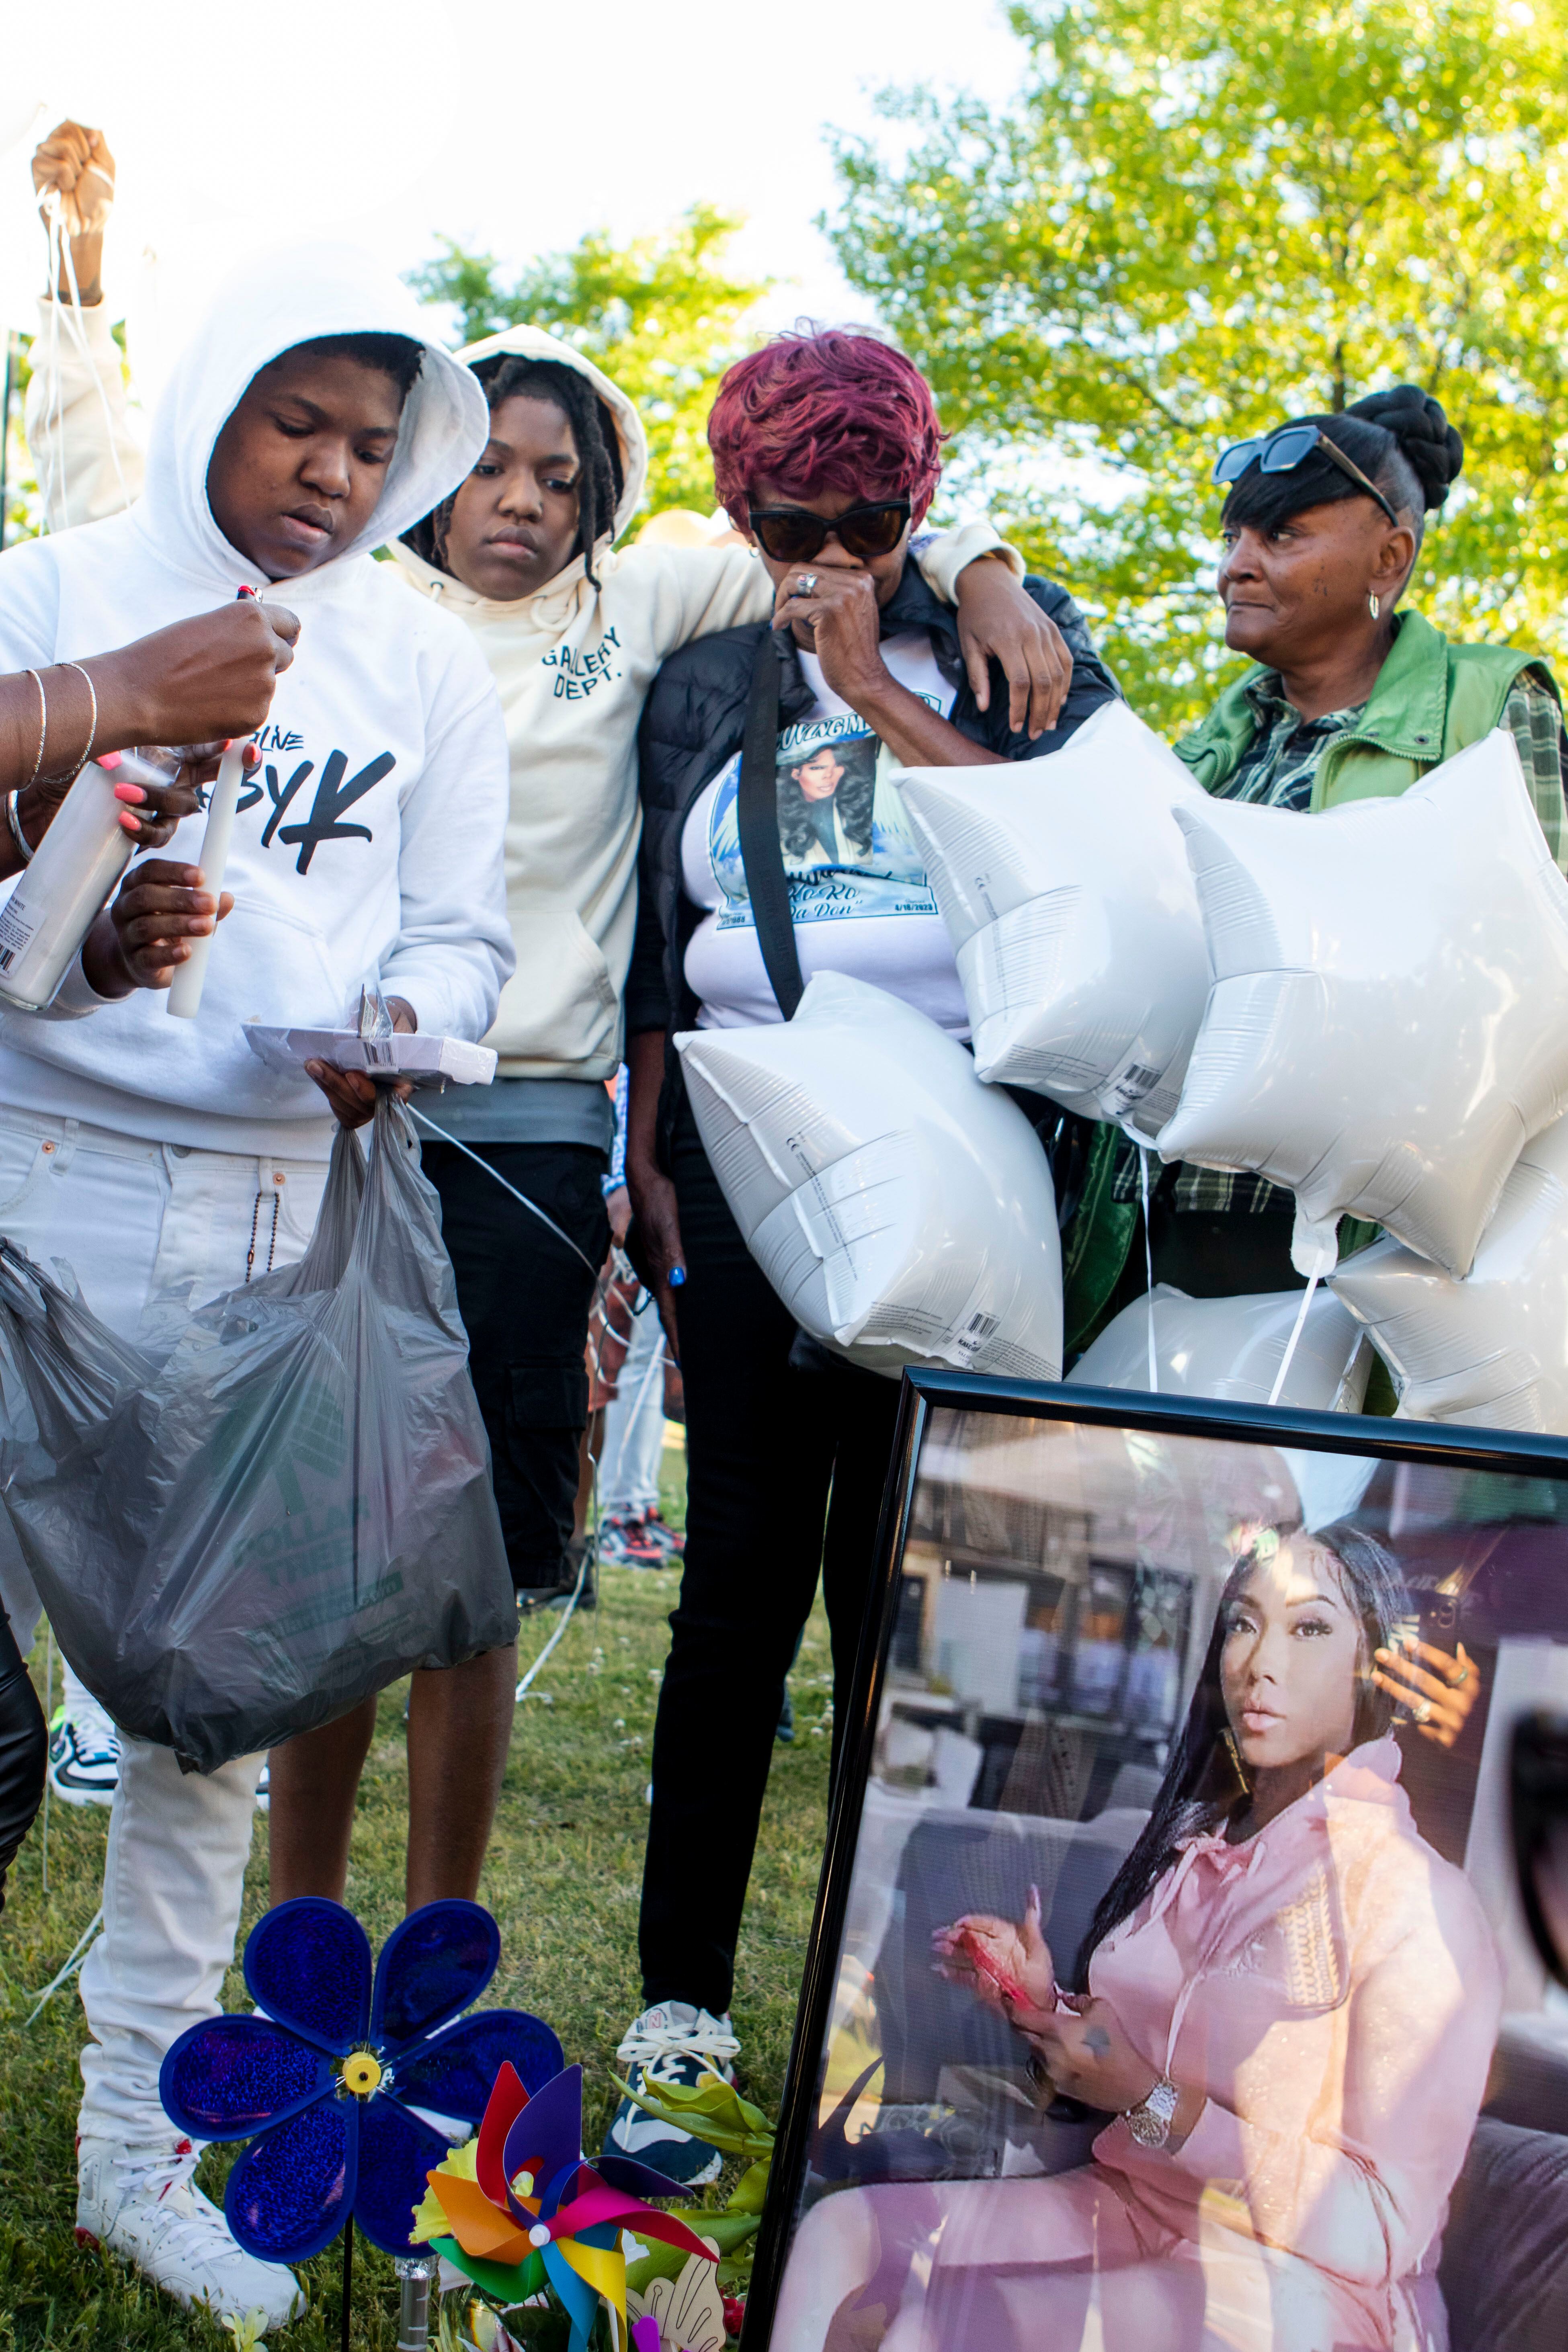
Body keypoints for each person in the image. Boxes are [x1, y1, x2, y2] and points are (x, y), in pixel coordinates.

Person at [27, 124, 1070, 1824]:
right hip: (279, 1110)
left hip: (513, 1112)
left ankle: (434, 1913)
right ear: (432, 475)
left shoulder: (635, 608)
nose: (521, 503)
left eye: (563, 477)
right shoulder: (341, 616)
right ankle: (171, 1754)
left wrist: (990, 574)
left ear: (602, 495)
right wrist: (77, 270)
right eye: (489, 468)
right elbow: (104, 493)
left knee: (467, 1521)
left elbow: (846, 533)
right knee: (279, 1475)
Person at [0, 241, 511, 2325]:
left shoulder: (421, 665)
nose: (332, 469)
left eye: (376, 441)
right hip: (27, 1181)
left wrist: (402, 1010)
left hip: (263, 1220)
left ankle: (138, 2140)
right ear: (216, 393)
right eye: (299, 418)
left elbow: (472, 935)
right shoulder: (51, 590)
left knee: (204, 1723)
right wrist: (80, 933)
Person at [612, 327, 1121, 2179]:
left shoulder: (1012, 645)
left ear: (919, 498)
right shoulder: (699, 677)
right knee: (735, 1586)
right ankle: (679, 2017)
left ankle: (894, 2024)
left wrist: (896, 667)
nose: (822, 550)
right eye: (780, 520)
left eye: (864, 515)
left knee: (911, 1615)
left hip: (966, 1177)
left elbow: (1071, 868)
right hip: (753, 1162)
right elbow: (656, 928)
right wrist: (646, 1155)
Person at [774, 1521, 1502, 2352]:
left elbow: (1379, 2231)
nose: (1259, 1661)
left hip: (1305, 2291)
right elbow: (1146, 2059)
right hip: (1132, 2204)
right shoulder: (1203, 1852)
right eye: (1242, 1621)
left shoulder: (1416, 1901)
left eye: (1309, 1627)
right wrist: (1041, 2004)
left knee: (942, 2328)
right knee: (842, 2236)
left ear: (1373, 1659)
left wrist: (1152, 2105)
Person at [1063, 385, 1568, 1352]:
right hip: (1162, 1224)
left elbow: (1544, 986)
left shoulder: (1493, 708)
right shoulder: (1207, 752)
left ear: (1392, 556)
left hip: (1381, 1243)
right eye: (1232, 541)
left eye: (1282, 537)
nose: (1235, 568)